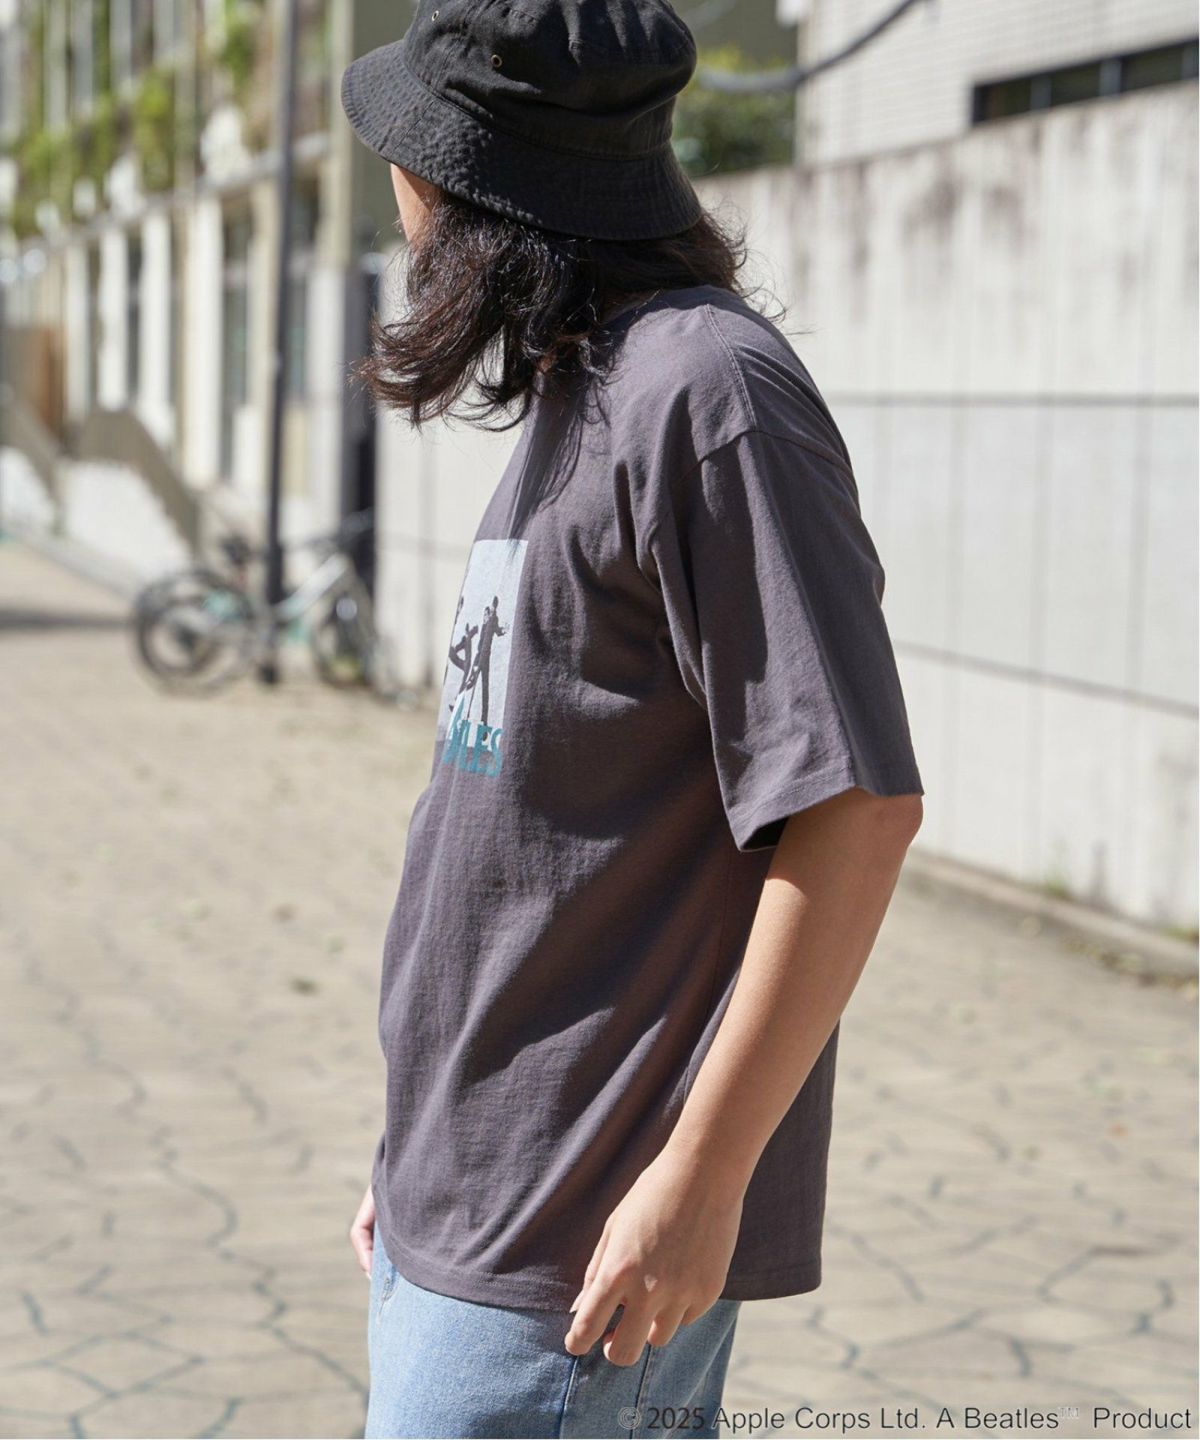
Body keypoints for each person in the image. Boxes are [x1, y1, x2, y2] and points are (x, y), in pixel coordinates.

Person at [340, 2, 925, 1436]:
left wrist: (704, 1178)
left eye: (408, 151)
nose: (394, 185)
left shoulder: (706, 395)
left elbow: (855, 809)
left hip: (578, 1247)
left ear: (470, 183)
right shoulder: (585, 381)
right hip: (466, 1199)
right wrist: (422, 1148)